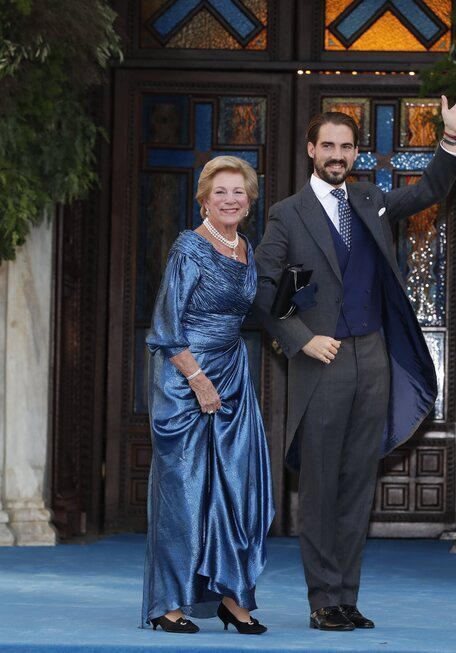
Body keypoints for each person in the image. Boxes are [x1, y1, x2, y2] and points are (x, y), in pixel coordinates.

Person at [252, 86, 456, 631]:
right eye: (328, 146)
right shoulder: (287, 215)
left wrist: (450, 136)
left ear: (355, 153)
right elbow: (262, 289)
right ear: (311, 150)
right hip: (322, 362)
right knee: (320, 486)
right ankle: (320, 602)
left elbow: (431, 188)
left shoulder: (370, 200)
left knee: (359, 483)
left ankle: (345, 598)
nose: (338, 155)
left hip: (374, 358)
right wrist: (300, 339)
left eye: (346, 147)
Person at [141, 155, 274, 635]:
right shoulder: (188, 249)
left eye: (239, 192)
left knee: (239, 492)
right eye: (220, 192)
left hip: (233, 378)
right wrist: (199, 383)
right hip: (186, 381)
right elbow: (166, 327)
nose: (230, 199)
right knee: (186, 493)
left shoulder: (245, 248)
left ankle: (233, 598)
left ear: (249, 201)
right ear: (203, 199)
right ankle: (169, 604)